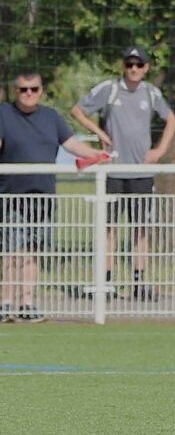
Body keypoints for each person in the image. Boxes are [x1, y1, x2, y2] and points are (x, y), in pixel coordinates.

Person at [71, 46, 175, 301]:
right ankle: (106, 282)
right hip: (113, 170)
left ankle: (139, 282)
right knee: (109, 228)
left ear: (146, 68)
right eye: (129, 64)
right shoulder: (110, 89)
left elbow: (172, 120)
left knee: (140, 228)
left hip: (140, 172)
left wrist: (159, 150)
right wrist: (100, 133)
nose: (133, 69)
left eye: (138, 65)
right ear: (124, 66)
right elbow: (77, 111)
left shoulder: (151, 93)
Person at [0, 73, 106, 323]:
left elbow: (71, 144)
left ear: (41, 90)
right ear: (15, 91)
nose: (28, 93)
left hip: (42, 196)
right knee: (10, 251)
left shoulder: (51, 116)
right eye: (23, 89)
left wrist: (97, 155)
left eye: (34, 89)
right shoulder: (4, 113)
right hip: (11, 195)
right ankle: (5, 303)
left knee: (31, 250)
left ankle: (27, 303)